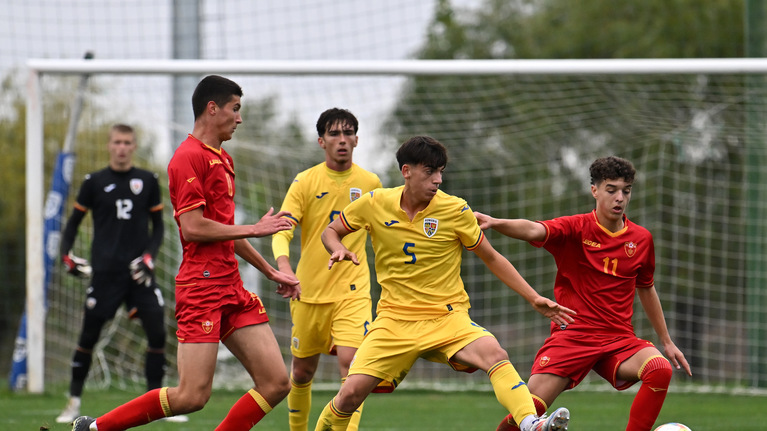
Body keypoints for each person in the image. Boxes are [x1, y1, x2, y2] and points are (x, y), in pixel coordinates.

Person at [70, 75, 300, 431]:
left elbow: (224, 231)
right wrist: (255, 227)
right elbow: (193, 228)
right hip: (202, 288)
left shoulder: (224, 159)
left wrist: (270, 271)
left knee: (276, 383)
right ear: (213, 108)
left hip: (231, 287)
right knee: (192, 396)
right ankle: (96, 428)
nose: (239, 118)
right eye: (235, 109)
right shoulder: (186, 157)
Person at [314, 136, 575, 431]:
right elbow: (331, 230)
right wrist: (335, 246)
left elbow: (491, 257)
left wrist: (532, 297)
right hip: (393, 320)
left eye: (441, 172)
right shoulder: (375, 203)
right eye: (429, 172)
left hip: (446, 317)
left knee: (495, 354)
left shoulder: (456, 210)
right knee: (349, 395)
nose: (438, 180)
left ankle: (530, 424)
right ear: (406, 171)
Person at [474, 156, 692, 431]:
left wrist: (667, 340)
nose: (620, 198)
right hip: (573, 336)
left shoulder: (641, 239)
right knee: (529, 412)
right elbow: (533, 228)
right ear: (595, 191)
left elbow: (646, 288)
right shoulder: (575, 228)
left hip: (618, 339)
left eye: (626, 190)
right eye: (611, 189)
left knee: (659, 369)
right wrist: (495, 222)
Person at [55, 123, 188, 423]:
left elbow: (158, 229)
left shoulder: (148, 180)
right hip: (104, 274)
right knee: (88, 337)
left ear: (134, 145)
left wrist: (150, 258)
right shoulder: (94, 182)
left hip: (139, 275)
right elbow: (73, 224)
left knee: (157, 333)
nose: (122, 147)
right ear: (109, 145)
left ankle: (160, 406)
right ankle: (73, 402)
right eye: (117, 142)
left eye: (128, 142)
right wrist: (67, 256)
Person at [272, 108, 382, 431]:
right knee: (302, 372)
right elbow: (283, 229)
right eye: (334, 134)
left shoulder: (370, 183)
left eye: (348, 134)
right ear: (321, 141)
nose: (342, 140)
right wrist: (283, 267)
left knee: (354, 369)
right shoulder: (305, 181)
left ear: (357, 140)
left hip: (353, 291)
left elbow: (385, 234)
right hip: (308, 291)